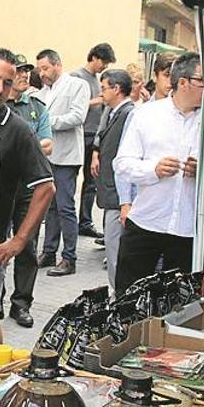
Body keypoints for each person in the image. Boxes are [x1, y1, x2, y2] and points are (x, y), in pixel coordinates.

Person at [113, 52, 204, 294]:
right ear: (182, 82)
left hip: (191, 227)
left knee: (179, 301)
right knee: (128, 296)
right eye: (203, 81)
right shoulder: (145, 114)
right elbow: (122, 164)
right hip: (146, 221)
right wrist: (153, 169)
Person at [0, 48, 54, 343]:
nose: (0, 88)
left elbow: (46, 187)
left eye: (7, 82)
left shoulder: (18, 130)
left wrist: (19, 241)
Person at [4, 54, 54, 328]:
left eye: (27, 72)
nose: (24, 76)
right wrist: (32, 144)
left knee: (27, 247)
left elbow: (48, 144)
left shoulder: (36, 107)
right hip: (0, 188)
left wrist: (24, 144)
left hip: (28, 189)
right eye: (19, 72)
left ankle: (21, 304)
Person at [35, 48, 90, 277]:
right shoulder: (41, 92)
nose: (41, 73)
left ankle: (69, 257)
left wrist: (47, 122)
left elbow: (78, 116)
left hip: (66, 156)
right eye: (39, 69)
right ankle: (49, 251)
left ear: (58, 64)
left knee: (65, 206)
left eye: (45, 68)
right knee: (50, 206)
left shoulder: (77, 85)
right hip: (47, 155)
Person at [90, 69, 134, 290]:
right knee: (112, 247)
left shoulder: (129, 114)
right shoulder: (112, 112)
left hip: (120, 196)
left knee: (116, 249)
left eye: (104, 88)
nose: (101, 93)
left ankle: (120, 297)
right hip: (111, 193)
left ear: (116, 89)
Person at [72, 43, 116, 240]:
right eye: (103, 62)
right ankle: (70, 220)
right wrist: (96, 101)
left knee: (91, 182)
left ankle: (86, 221)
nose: (103, 67)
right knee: (72, 179)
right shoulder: (77, 77)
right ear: (95, 57)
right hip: (80, 133)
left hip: (94, 134)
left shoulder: (98, 80)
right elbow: (74, 106)